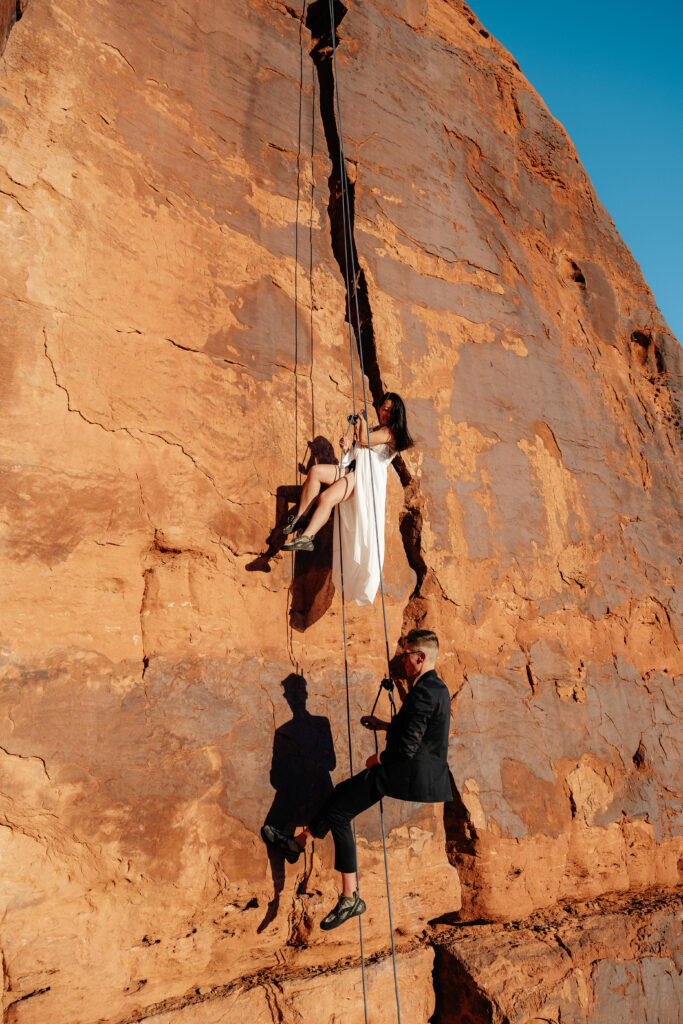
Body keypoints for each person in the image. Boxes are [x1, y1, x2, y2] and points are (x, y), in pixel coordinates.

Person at [261, 629, 451, 930]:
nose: (401, 661)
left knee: (339, 813)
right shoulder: (434, 686)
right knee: (341, 795)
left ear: (421, 656)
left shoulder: (424, 690)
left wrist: (380, 758)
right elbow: (419, 729)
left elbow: (408, 746)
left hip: (406, 772)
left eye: (405, 656)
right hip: (412, 771)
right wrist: (383, 725)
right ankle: (297, 844)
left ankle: (350, 897)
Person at [282, 393, 413, 606]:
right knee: (315, 472)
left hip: (363, 479)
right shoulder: (374, 430)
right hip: (352, 470)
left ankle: (307, 537)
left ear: (397, 414)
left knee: (326, 498)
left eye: (390, 410)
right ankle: (301, 519)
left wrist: (361, 421)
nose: (385, 413)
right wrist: (346, 448)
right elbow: (357, 453)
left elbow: (365, 442)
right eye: (384, 408)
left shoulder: (391, 433)